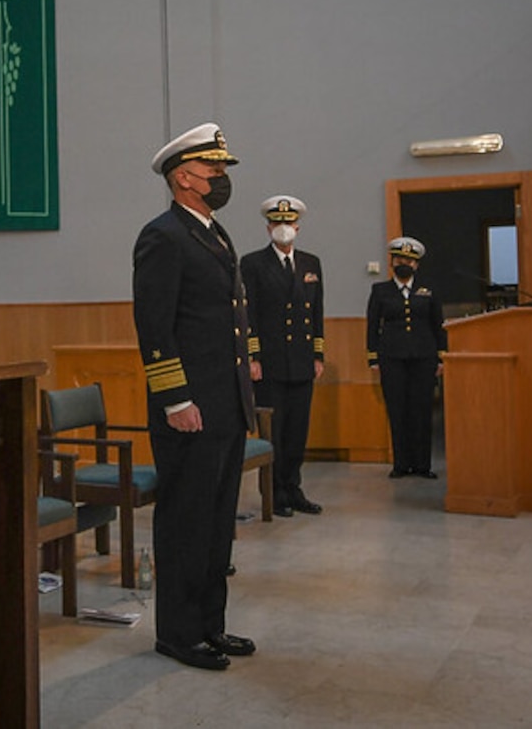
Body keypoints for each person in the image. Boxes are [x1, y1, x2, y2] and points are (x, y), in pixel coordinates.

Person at [133, 122, 257, 672]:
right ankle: (178, 634)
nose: (222, 178)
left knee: (216, 520)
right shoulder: (163, 235)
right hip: (190, 407)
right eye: (214, 170)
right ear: (184, 177)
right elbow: (155, 329)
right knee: (186, 520)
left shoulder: (215, 232)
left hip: (226, 403)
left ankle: (211, 624)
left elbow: (232, 316)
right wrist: (175, 398)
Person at [240, 195, 325, 517]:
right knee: (274, 431)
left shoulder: (310, 263)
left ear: (298, 228)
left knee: (297, 431)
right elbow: (249, 315)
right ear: (268, 227)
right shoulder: (253, 264)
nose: (283, 228)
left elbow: (317, 312)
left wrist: (318, 355)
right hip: (271, 364)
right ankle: (273, 494)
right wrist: (253, 357)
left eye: (288, 223)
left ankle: (293, 489)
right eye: (277, 223)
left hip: (303, 362)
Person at [366, 236, 446, 479]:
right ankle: (401, 464)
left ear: (416, 265)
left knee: (421, 411)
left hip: (424, 358)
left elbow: (438, 325)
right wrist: (373, 359)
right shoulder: (380, 291)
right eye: (400, 259)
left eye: (409, 261)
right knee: (397, 410)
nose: (404, 264)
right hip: (392, 359)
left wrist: (442, 357)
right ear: (392, 262)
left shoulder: (429, 289)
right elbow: (372, 326)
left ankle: (423, 465)